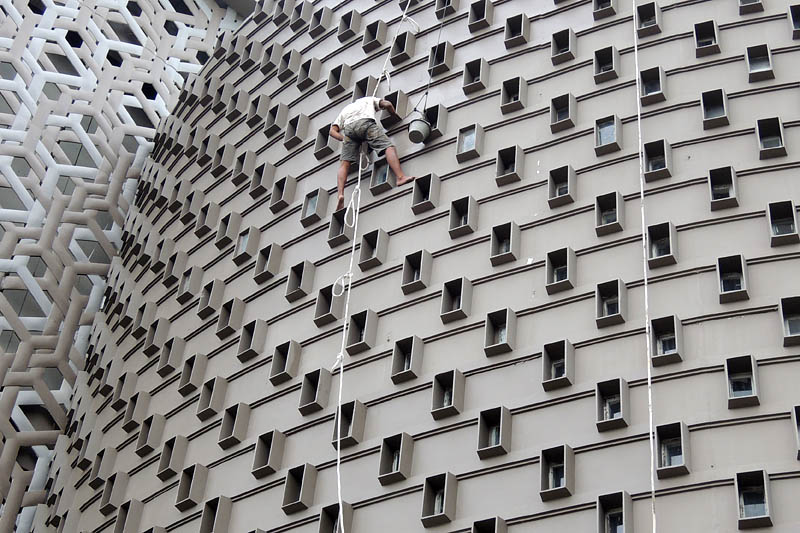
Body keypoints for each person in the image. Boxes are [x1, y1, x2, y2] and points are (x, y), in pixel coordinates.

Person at [329, 96, 415, 210]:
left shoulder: (346, 109)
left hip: (349, 130)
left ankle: (340, 194)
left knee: (344, 164)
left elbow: (332, 131)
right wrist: (393, 114)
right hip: (365, 123)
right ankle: (400, 177)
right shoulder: (369, 99)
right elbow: (388, 104)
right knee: (388, 147)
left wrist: (343, 139)